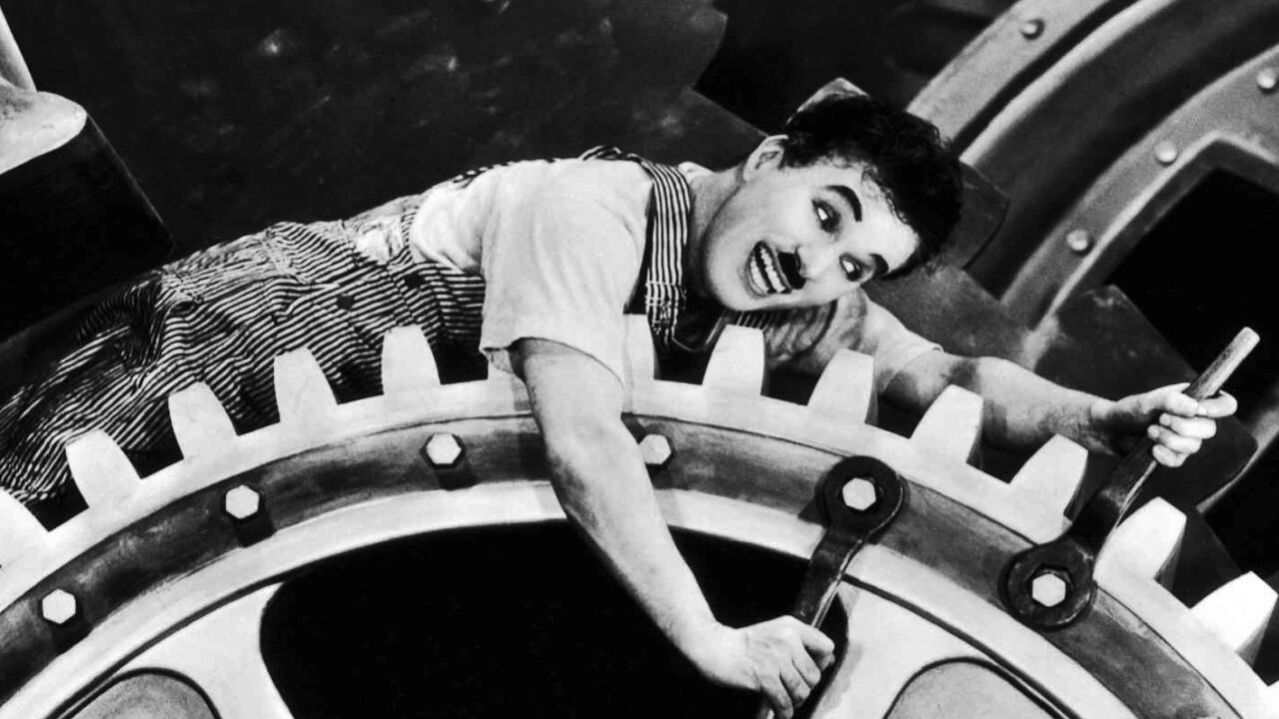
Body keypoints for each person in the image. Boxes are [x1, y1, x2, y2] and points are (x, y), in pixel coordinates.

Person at [0, 93, 1235, 717]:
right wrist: (711, 638)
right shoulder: (589, 211)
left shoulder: (791, 297)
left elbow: (952, 380)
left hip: (313, 440)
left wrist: (1095, 418)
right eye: (824, 213)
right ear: (768, 160)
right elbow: (581, 437)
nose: (814, 264)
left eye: (855, 263)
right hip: (217, 351)